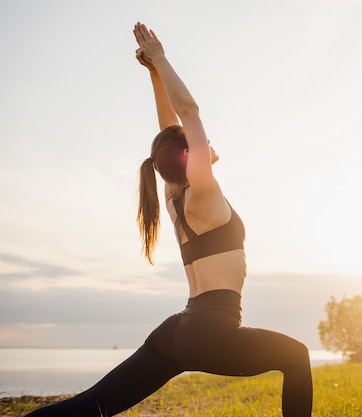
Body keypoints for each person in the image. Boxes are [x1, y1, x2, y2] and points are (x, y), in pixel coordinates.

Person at [25, 22, 313, 417]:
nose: (208, 143)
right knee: (297, 357)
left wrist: (156, 77)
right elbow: (188, 113)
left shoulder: (174, 195)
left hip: (177, 332)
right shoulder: (204, 192)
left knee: (91, 406)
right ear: (188, 156)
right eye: (200, 143)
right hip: (215, 330)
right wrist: (161, 58)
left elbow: (168, 131)